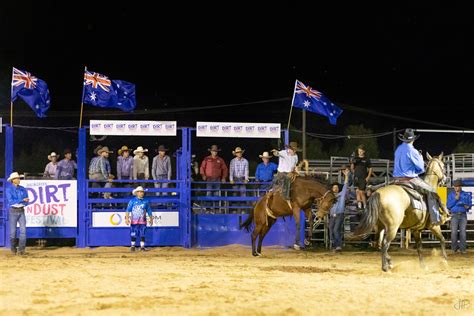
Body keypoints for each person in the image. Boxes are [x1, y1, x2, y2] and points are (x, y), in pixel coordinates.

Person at [393, 128, 448, 225]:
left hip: (396, 179)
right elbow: (420, 169)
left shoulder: (398, 150)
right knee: (432, 191)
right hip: (410, 179)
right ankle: (435, 218)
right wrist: (421, 159)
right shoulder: (413, 151)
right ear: (413, 139)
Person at [6, 172, 30, 255]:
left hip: (21, 210)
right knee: (13, 232)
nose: (19, 179)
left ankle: (21, 250)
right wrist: (22, 200)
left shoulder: (23, 189)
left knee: (23, 231)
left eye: (19, 178)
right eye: (17, 178)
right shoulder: (9, 189)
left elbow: (26, 200)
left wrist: (25, 202)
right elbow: (11, 201)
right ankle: (13, 249)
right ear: (13, 180)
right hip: (13, 211)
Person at [200, 145, 228, 213]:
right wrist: (203, 175)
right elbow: (202, 167)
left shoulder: (220, 160)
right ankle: (208, 208)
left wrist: (224, 177)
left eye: (216, 151)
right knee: (209, 193)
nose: (214, 152)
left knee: (216, 193)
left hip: (217, 179)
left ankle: (216, 208)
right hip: (209, 179)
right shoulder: (206, 159)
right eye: (213, 151)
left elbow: (225, 169)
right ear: (211, 151)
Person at [125, 186, 154, 252]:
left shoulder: (146, 201)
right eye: (140, 192)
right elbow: (127, 210)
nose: (142, 193)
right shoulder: (132, 201)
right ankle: (132, 246)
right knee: (133, 233)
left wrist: (151, 218)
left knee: (142, 233)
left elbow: (149, 210)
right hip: (134, 221)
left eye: (142, 192)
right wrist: (127, 219)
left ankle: (142, 247)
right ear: (137, 193)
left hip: (142, 221)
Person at [447, 179, 471, 254]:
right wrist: (455, 199)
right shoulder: (451, 195)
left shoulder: (466, 194)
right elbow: (448, 206)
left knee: (463, 232)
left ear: (460, 187)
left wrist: (468, 206)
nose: (456, 188)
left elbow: (469, 204)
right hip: (454, 215)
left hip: (463, 215)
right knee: (453, 232)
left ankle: (463, 249)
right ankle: (454, 249)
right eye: (455, 186)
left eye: (457, 186)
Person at [329, 168, 350, 253]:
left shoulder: (341, 195)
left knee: (335, 230)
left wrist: (346, 176)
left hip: (339, 214)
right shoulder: (330, 197)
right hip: (332, 215)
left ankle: (338, 245)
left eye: (337, 187)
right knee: (331, 229)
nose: (335, 188)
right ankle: (335, 244)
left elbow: (345, 185)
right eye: (334, 187)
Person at [350, 145, 373, 210]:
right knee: (357, 191)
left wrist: (368, 176)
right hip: (356, 177)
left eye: (361, 151)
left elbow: (370, 168)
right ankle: (359, 206)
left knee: (362, 192)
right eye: (359, 151)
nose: (359, 152)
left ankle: (365, 206)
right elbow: (352, 168)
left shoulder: (366, 159)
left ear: (364, 151)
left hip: (363, 177)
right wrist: (351, 162)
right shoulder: (356, 158)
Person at [229, 147, 249, 213]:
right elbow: (231, 171)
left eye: (240, 152)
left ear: (241, 153)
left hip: (242, 179)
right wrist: (231, 179)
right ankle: (234, 209)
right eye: (237, 153)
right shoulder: (233, 161)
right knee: (235, 193)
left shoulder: (245, 161)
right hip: (235, 178)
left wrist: (246, 179)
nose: (239, 154)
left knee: (243, 193)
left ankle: (243, 209)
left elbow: (246, 171)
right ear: (236, 154)